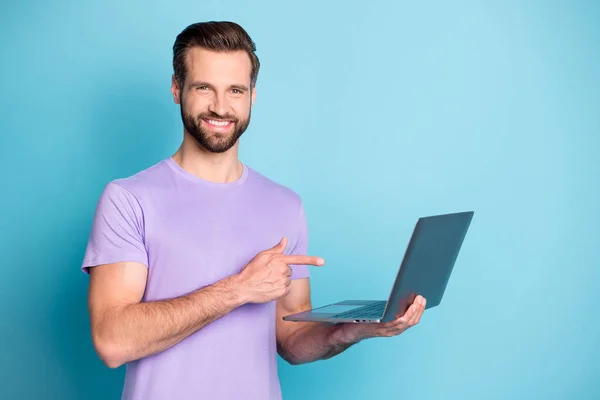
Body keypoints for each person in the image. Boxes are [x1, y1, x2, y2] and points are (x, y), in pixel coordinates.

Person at [81, 21, 426, 400]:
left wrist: (355, 329)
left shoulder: (285, 205)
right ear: (177, 89)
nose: (220, 106)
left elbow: (291, 338)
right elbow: (112, 340)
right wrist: (238, 289)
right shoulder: (129, 199)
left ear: (253, 96)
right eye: (203, 88)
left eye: (235, 90)